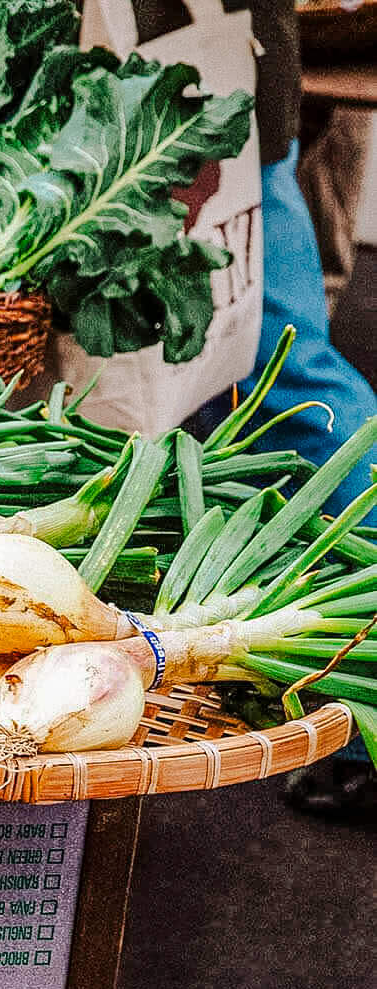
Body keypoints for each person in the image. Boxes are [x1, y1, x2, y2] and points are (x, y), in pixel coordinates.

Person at [214, 0, 377, 817]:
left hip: (188, 71)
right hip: (212, 71)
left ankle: (366, 724)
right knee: (272, 387)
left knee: (290, 387)